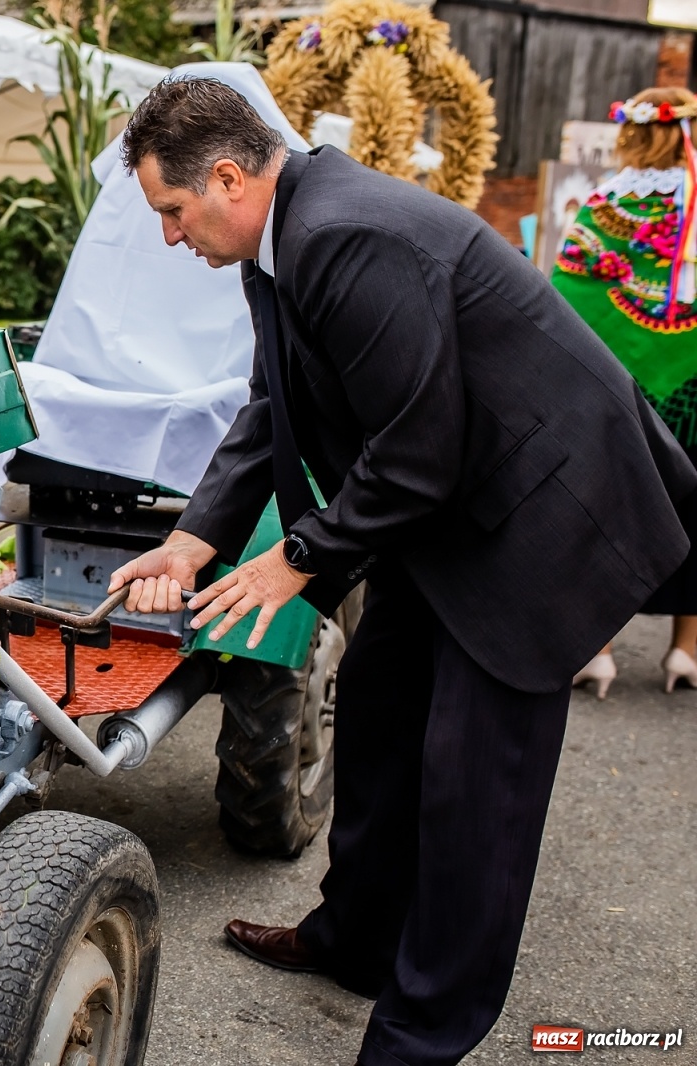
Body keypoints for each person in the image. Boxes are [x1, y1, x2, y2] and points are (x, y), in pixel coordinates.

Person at [106, 76, 696, 1066]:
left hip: (538, 513)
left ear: (222, 177)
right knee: (380, 716)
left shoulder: (348, 235)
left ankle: (419, 1036)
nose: (171, 235)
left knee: (475, 794)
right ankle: (356, 941)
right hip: (456, 506)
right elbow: (269, 411)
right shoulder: (277, 245)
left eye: (170, 211)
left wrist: (295, 558)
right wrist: (193, 539)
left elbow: (416, 452)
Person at [551, 87, 697, 698]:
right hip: (692, 391)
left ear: (631, 137)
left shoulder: (606, 206)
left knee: (613, 500)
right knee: (694, 498)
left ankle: (601, 649)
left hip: (623, 392)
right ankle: (686, 651)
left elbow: (567, 292)